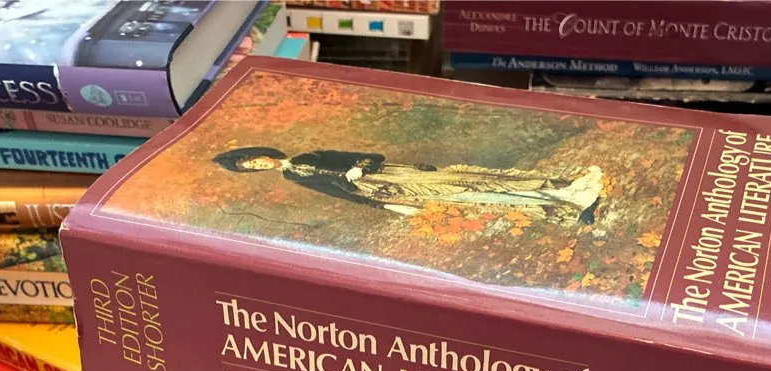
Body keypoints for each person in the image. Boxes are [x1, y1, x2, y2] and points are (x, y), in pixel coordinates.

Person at [213, 146, 604, 225]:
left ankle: (566, 187)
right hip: (386, 193)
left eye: (256, 158)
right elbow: (339, 193)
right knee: (476, 201)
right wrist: (384, 206)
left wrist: (358, 169)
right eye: (252, 167)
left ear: (264, 152)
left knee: (473, 180)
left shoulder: (310, 155)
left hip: (396, 176)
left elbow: (368, 156)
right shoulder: (291, 177)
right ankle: (567, 209)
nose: (259, 165)